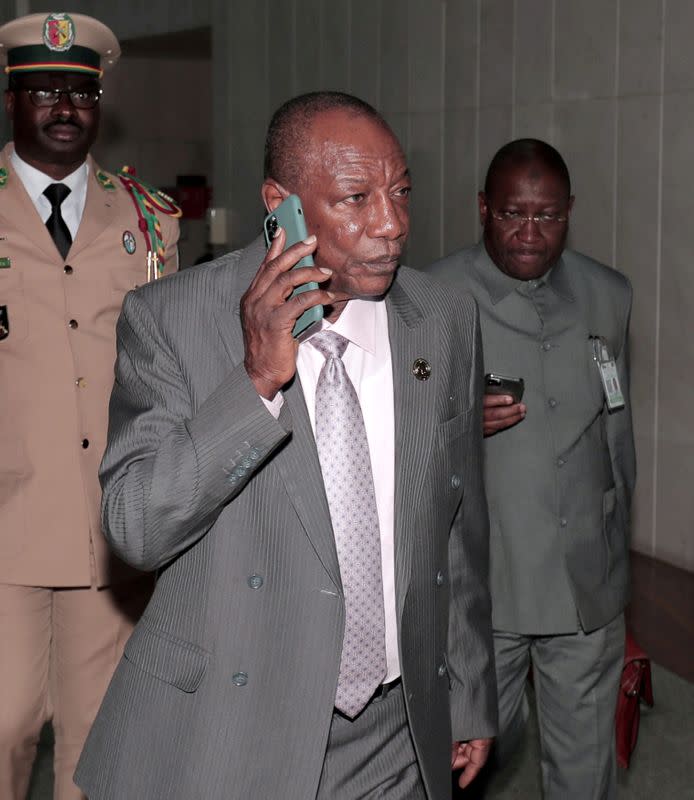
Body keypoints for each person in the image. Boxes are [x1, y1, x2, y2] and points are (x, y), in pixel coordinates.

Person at [74, 91, 497, 799]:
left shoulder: (443, 319)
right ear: (283, 204)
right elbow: (137, 527)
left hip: (395, 730)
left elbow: (457, 530)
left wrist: (471, 688)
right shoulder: (172, 319)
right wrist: (255, 383)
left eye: (400, 192)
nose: (390, 225)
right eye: (355, 198)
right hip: (231, 727)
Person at [0, 12, 180, 799]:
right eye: (43, 90)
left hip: (112, 523)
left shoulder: (147, 218)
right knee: (4, 726)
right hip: (7, 517)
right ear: (12, 100)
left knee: (98, 742)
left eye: (80, 91)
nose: (64, 106)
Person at [427, 139, 636, 799]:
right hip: (481, 581)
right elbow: (391, 437)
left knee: (585, 764)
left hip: (584, 576)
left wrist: (618, 547)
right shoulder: (431, 298)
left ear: (570, 212)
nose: (529, 232)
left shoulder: (609, 294)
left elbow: (617, 429)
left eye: (547, 216)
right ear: (483, 209)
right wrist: (455, 420)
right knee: (464, 762)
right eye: (513, 213)